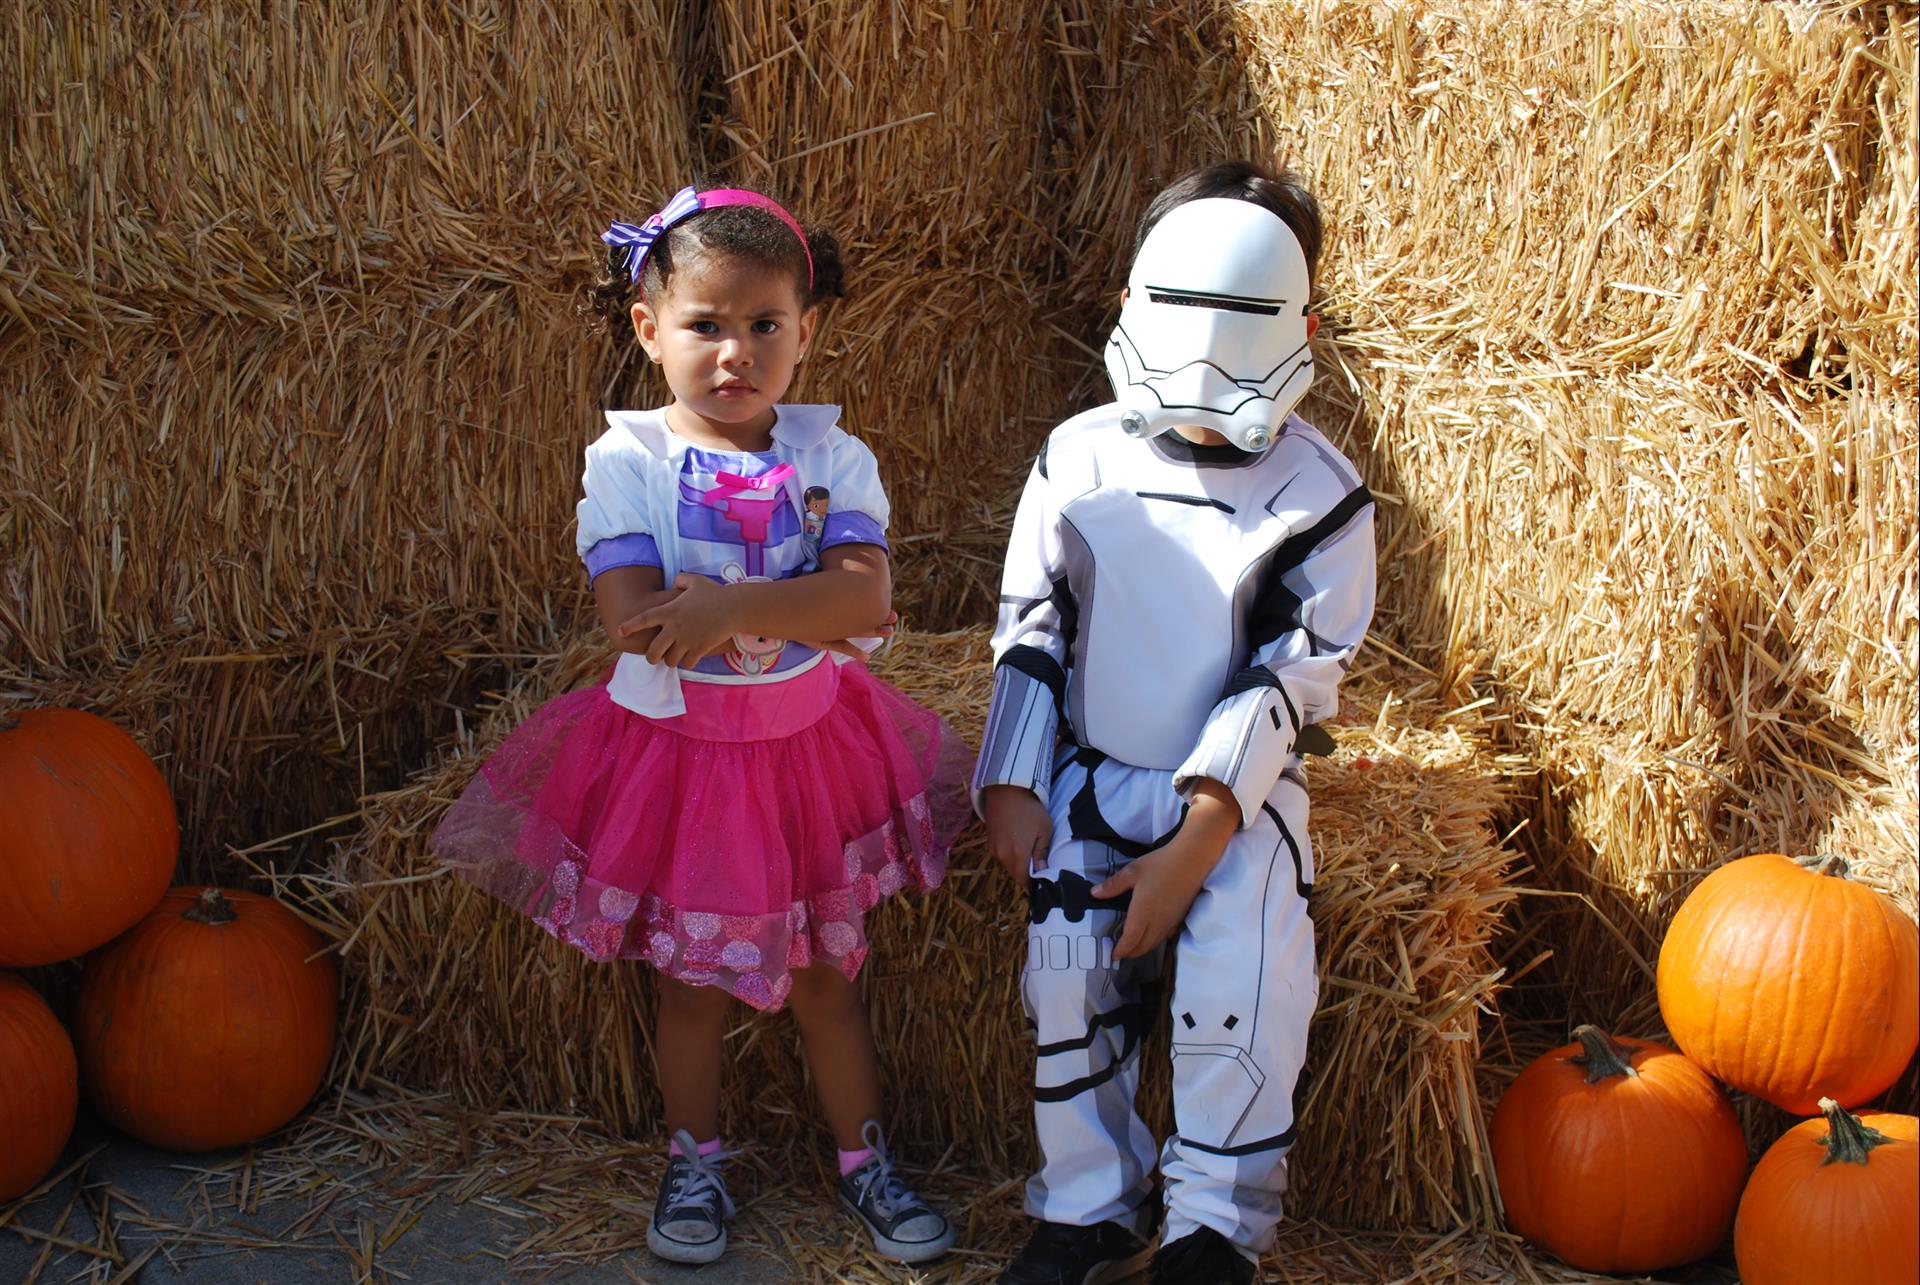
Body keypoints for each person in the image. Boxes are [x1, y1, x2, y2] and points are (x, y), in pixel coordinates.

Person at [432, 184, 972, 1267]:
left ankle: (866, 1162)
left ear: (807, 331)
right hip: (680, 764)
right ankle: (695, 1158)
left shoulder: (833, 460)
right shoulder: (626, 462)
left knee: (827, 975)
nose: (737, 351)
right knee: (689, 985)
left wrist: (727, 607)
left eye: (766, 324)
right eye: (705, 325)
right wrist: (780, 597)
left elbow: (863, 602)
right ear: (648, 330)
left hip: (812, 754)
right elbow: (633, 619)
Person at [975, 161, 1376, 1285]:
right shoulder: (1079, 458)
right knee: (1065, 972)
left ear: (1302, 315)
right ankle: (1087, 1204)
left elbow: (1288, 679)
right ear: (1137, 296)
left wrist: (1196, 845)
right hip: (1092, 776)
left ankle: (1213, 1228)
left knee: (1240, 988)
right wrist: (1013, 778)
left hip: (1235, 803)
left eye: (1243, 304)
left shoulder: (1322, 495)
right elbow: (1032, 626)